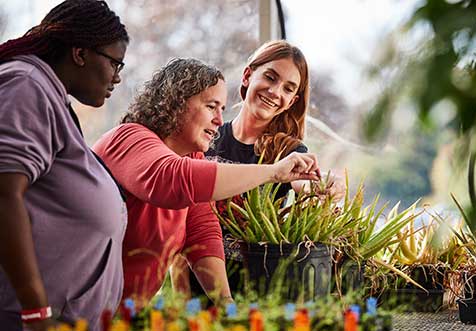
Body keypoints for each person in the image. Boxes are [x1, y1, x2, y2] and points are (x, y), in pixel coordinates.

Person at [92, 58, 320, 309]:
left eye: (222, 108)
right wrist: (273, 173)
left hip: (123, 314)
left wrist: (227, 306)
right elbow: (175, 178)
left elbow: (202, 231)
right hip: (72, 308)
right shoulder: (129, 138)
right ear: (177, 101)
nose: (220, 120)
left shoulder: (191, 157)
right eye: (212, 106)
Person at [0, 1, 129, 330]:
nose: (116, 77)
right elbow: (3, 194)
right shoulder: (26, 84)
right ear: (80, 53)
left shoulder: (49, 94)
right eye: (114, 63)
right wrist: (36, 310)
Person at [202, 40, 346, 293]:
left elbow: (307, 182)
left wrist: (327, 183)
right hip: (200, 281)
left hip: (256, 288)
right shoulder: (207, 139)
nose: (275, 92)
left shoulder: (288, 152)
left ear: (292, 101)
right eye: (270, 77)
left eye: (288, 89)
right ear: (247, 76)